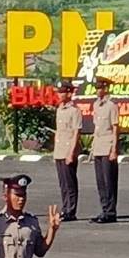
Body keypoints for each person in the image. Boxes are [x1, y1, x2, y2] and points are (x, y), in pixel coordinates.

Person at [90, 78, 120, 224]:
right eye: (97, 88)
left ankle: (111, 211)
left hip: (108, 145)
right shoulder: (96, 105)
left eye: (100, 88)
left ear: (106, 89)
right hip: (98, 146)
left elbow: (115, 128)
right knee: (100, 181)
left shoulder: (111, 106)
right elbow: (96, 129)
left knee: (109, 181)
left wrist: (114, 149)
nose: (98, 91)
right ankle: (104, 209)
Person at [53, 80, 82, 222]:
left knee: (70, 182)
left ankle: (71, 211)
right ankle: (65, 208)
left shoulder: (74, 111)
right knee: (62, 183)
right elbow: (58, 132)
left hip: (68, 150)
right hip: (59, 150)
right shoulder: (59, 109)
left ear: (69, 93)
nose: (60, 95)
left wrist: (71, 152)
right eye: (59, 92)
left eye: (63, 92)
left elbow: (76, 132)